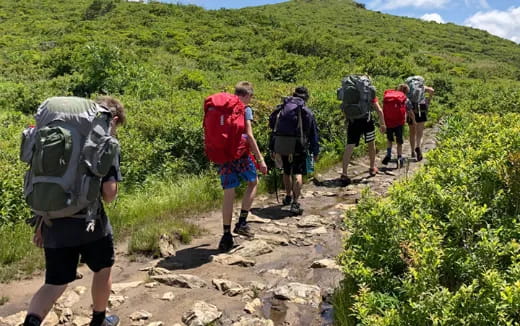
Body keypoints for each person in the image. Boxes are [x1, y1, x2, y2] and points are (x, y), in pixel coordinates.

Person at [23, 96, 125, 326]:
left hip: (53, 220)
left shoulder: (56, 135)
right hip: (90, 223)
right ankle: (99, 321)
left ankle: (30, 322)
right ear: (113, 119)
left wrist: (41, 220)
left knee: (55, 283)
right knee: (103, 269)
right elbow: (109, 194)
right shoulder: (103, 142)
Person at [217, 81, 268, 252]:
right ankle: (242, 223)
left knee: (228, 192)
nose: (251, 100)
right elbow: (250, 136)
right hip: (240, 155)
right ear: (247, 95)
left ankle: (226, 235)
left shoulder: (221, 107)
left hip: (223, 155)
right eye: (251, 96)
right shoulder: (244, 109)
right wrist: (260, 159)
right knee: (253, 183)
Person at [269, 86, 320, 215]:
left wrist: (272, 147)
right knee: (297, 173)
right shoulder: (306, 111)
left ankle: (287, 196)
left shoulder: (282, 108)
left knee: (286, 171)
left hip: (281, 144)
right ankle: (295, 203)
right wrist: (315, 151)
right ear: (305, 98)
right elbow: (314, 133)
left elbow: (272, 126)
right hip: (298, 145)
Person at [340, 90, 386, 186]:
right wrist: (382, 124)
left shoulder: (350, 93)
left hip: (353, 122)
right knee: (371, 143)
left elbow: (344, 108)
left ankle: (344, 173)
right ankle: (372, 167)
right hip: (367, 121)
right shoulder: (369, 93)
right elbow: (379, 110)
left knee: (349, 146)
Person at [381, 84, 413, 168]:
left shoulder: (389, 96)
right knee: (399, 141)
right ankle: (399, 157)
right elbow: (409, 110)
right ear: (406, 92)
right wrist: (414, 120)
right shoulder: (404, 98)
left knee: (389, 139)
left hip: (388, 122)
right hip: (399, 122)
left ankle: (388, 154)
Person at [407, 84, 434, 161]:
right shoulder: (423, 87)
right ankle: (418, 147)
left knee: (412, 132)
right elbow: (432, 91)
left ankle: (412, 151)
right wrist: (428, 99)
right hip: (421, 107)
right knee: (420, 132)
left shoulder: (409, 87)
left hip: (411, 108)